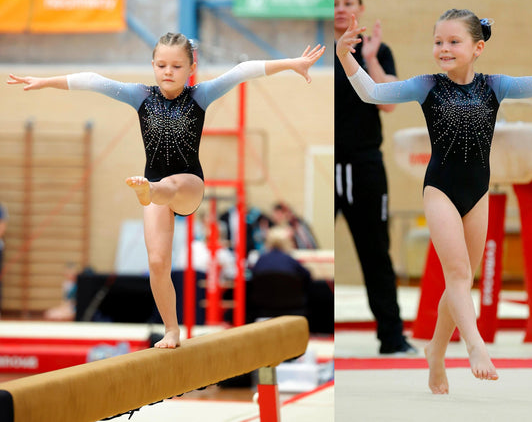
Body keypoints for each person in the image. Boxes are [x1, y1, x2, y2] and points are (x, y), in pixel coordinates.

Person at [7, 34, 324, 348]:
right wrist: (45, 81)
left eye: (176, 65)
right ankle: (172, 330)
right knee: (157, 263)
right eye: (161, 65)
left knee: (169, 186)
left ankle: (152, 191)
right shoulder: (140, 96)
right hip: (152, 187)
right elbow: (92, 80)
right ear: (153, 65)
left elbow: (244, 71)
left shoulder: (200, 95)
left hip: (188, 185)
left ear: (191, 68)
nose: (168, 71)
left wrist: (292, 64)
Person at [339, 6, 532, 394]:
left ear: (477, 47)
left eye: (454, 42)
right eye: (438, 42)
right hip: (440, 189)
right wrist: (345, 56)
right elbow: (373, 93)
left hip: (477, 192)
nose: (444, 49)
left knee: (464, 280)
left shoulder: (495, 85)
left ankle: (435, 351)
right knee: (457, 275)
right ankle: (474, 346)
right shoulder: (426, 86)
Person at [333, 0, 414, 355]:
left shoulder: (378, 52)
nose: (340, 8)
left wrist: (371, 58)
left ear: (360, 9)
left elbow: (389, 104)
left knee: (375, 253)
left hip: (365, 165)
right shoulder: (318, 53)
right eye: (333, 3)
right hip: (329, 166)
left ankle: (392, 338)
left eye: (348, 2)